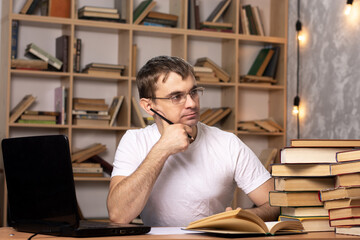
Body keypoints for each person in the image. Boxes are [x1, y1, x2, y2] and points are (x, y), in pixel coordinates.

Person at [107, 56, 279, 227]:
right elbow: (118, 215)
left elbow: (276, 203)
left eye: (194, 92)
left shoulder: (228, 143)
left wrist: (246, 216)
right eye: (176, 96)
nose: (191, 103)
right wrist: (162, 149)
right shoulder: (134, 140)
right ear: (149, 106)